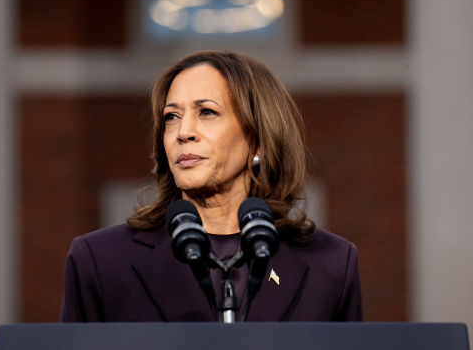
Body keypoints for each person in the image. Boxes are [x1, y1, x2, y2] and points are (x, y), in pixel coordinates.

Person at [60, 50, 362, 322]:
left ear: (257, 136)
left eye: (207, 112)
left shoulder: (331, 265)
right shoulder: (100, 261)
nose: (183, 132)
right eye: (171, 117)